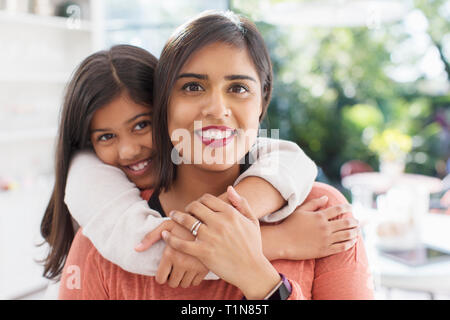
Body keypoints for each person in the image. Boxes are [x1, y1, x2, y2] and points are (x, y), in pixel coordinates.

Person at [57, 11, 373, 300]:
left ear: (262, 103)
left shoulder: (323, 214)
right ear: (164, 102)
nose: (216, 110)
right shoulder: (107, 236)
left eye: (237, 88)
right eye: (193, 87)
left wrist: (258, 277)